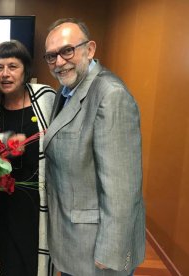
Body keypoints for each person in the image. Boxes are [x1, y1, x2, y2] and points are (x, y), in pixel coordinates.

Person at [43, 18, 145, 276]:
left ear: (89, 49)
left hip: (97, 247)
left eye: (68, 51)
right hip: (74, 239)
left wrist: (110, 251)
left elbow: (122, 186)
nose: (59, 62)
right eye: (51, 56)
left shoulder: (110, 95)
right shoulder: (66, 90)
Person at [0, 40, 56, 276]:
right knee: (10, 263)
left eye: (12, 66)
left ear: (25, 69)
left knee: (39, 263)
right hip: (5, 204)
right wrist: (3, 147)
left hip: (41, 200)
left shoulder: (46, 98)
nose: (5, 74)